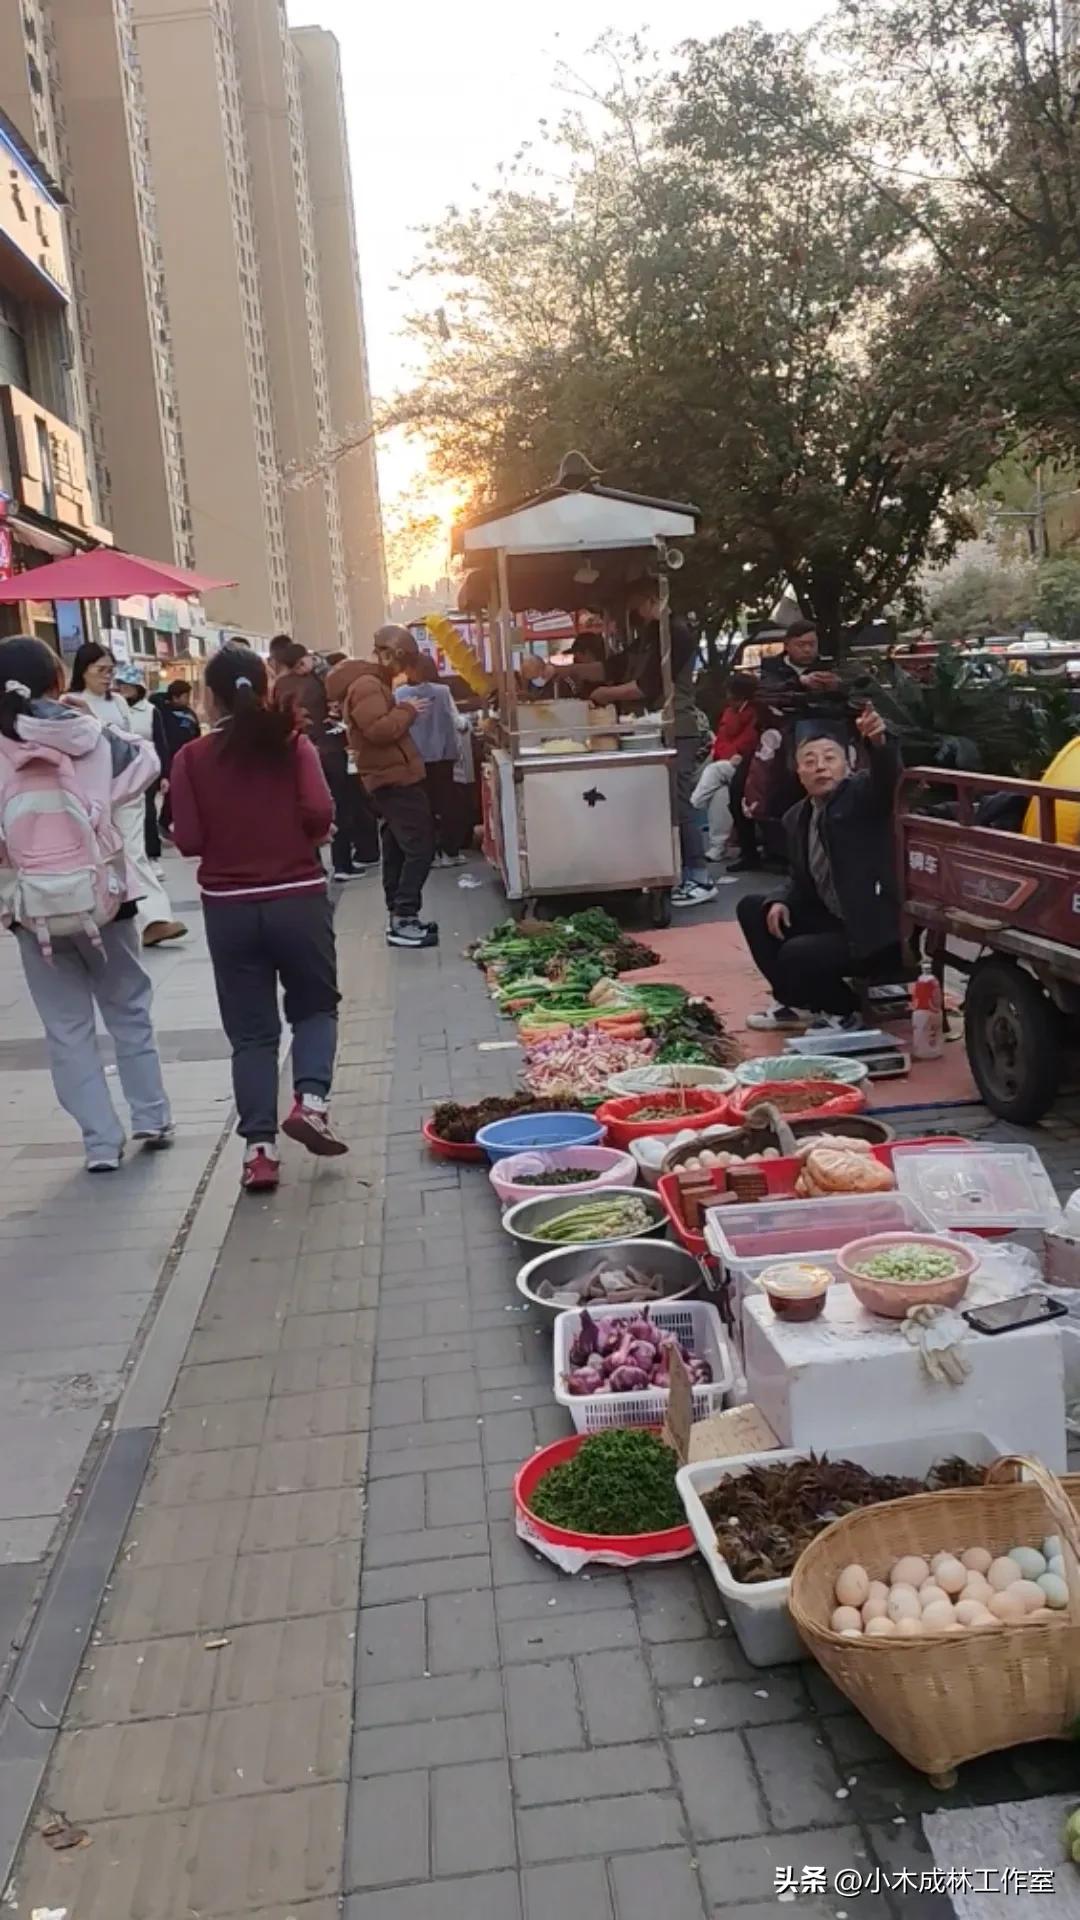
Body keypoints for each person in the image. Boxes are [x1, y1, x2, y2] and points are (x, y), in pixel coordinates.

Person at [168, 644, 347, 1193]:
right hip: (296, 897)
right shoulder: (292, 746)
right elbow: (320, 813)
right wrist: (309, 835)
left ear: (210, 696)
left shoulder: (191, 759)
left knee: (251, 1035)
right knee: (315, 1007)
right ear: (265, 690)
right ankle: (311, 1103)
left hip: (229, 910)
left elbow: (190, 839)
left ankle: (260, 1152)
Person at [0, 635, 173, 1171]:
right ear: (58, 681)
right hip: (107, 898)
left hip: (32, 910)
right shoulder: (90, 735)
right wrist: (99, 724)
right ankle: (151, 1115)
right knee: (129, 1009)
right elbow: (146, 767)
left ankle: (100, 1143)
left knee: (66, 1027)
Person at [737, 703, 902, 1031]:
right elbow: (799, 876)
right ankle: (796, 1003)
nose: (820, 768)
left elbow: (887, 780)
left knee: (797, 954)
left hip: (871, 930)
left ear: (848, 765)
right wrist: (781, 899)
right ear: (798, 773)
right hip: (832, 918)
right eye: (809, 762)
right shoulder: (797, 816)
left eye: (830, 758)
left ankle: (844, 1009)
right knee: (754, 908)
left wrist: (879, 743)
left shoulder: (861, 798)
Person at [590, 585, 717, 909]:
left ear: (653, 599)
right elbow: (616, 666)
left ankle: (699, 876)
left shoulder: (676, 634)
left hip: (680, 726)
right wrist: (560, 671)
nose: (636, 613)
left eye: (638, 605)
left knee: (680, 801)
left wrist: (607, 694)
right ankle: (675, 870)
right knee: (667, 801)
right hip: (662, 725)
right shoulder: (652, 633)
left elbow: (645, 686)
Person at [68, 643, 187, 948]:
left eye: (111, 670)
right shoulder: (70, 703)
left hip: (128, 790)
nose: (108, 677)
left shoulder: (120, 702)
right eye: (101, 670)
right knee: (103, 855)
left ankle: (155, 918)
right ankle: (106, 914)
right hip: (93, 795)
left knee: (134, 851)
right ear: (83, 671)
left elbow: (128, 741)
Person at [326, 627, 436, 949]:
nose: (402, 670)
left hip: (389, 776)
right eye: (401, 661)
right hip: (392, 778)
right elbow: (378, 730)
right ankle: (404, 916)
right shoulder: (368, 685)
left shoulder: (370, 683)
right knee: (420, 846)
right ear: (388, 654)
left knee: (398, 846)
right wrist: (408, 710)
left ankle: (400, 916)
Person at [272, 639, 365, 882]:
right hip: (329, 748)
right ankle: (342, 864)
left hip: (295, 751)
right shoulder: (318, 680)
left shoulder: (279, 685)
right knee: (341, 805)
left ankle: (313, 865)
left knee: (303, 808)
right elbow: (337, 701)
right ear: (303, 660)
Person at [395, 648, 466, 866]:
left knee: (423, 808)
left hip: (414, 758)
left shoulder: (399, 695)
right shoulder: (443, 691)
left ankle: (429, 854)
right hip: (442, 756)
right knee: (447, 804)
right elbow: (458, 722)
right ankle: (450, 853)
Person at [691, 672, 759, 861]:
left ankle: (693, 806)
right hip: (728, 762)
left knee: (714, 770)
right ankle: (718, 846)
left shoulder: (755, 713)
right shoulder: (729, 713)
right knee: (720, 794)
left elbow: (750, 741)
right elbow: (720, 741)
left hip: (747, 765)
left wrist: (733, 755)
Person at [114, 664, 171, 867]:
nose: (124, 689)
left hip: (145, 768)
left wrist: (165, 774)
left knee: (147, 811)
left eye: (128, 685)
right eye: (121, 684)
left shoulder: (150, 711)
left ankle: (152, 855)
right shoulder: (115, 706)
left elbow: (160, 743)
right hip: (119, 769)